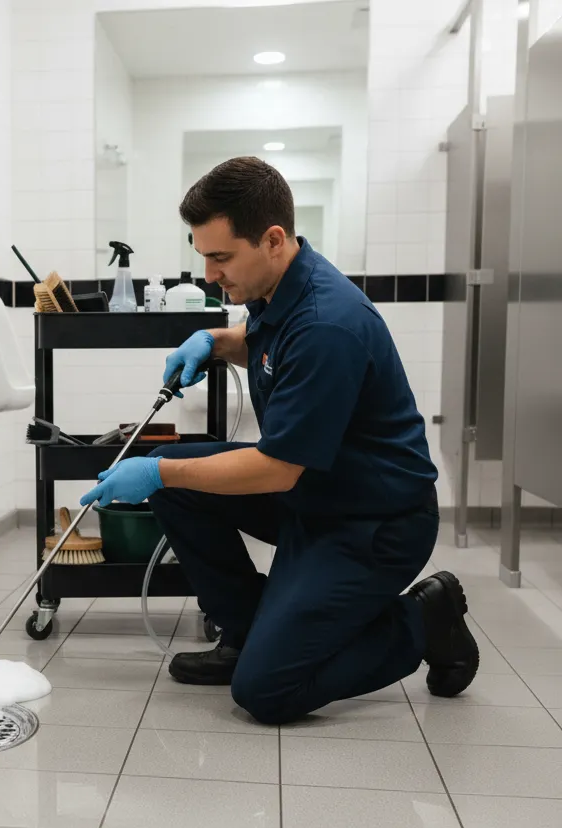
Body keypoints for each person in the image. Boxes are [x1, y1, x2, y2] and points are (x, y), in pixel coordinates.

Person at [79, 156, 479, 725]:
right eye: (203, 256)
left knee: (267, 691)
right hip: (315, 494)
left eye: (221, 258)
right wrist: (215, 340)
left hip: (371, 525)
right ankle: (246, 633)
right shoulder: (280, 286)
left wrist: (156, 474)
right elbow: (267, 345)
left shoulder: (327, 323)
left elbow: (276, 469)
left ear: (271, 239)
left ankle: (423, 619)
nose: (210, 275)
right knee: (174, 475)